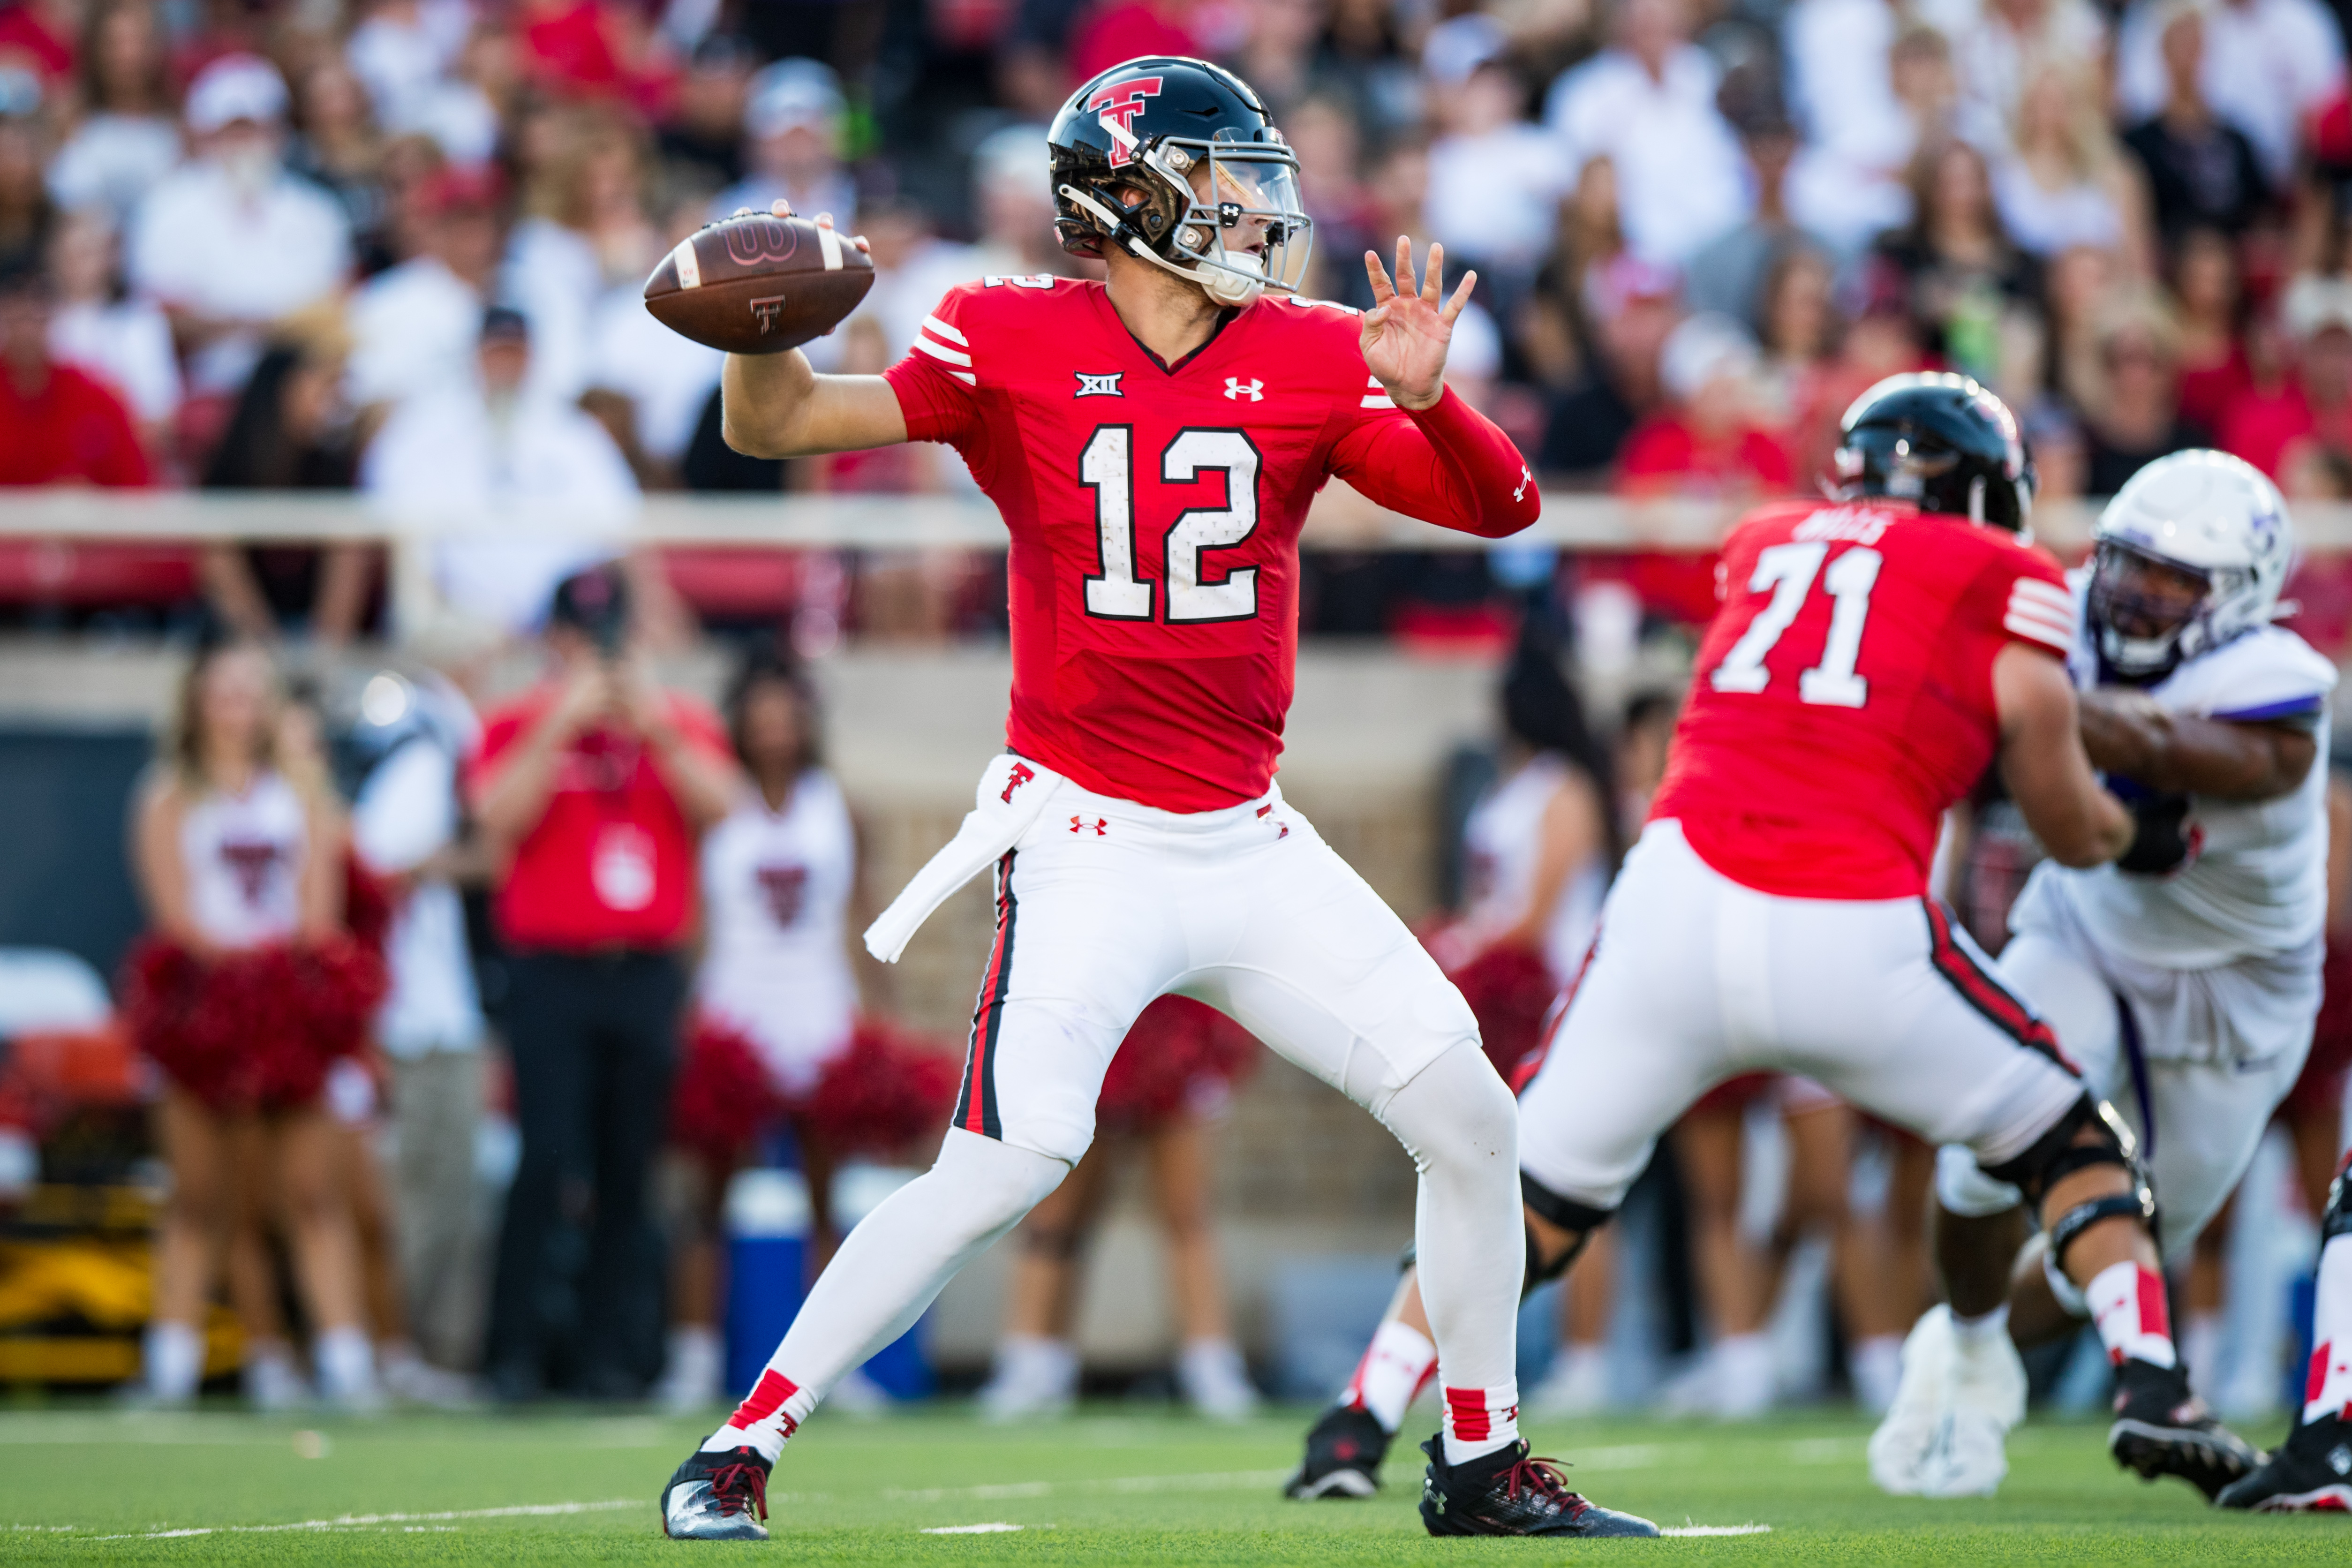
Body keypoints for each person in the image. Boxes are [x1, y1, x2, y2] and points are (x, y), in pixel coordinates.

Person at [656, 56, 1641, 1543]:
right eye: (1225, 173)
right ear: (1128, 196)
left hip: (1249, 839)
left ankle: (1479, 1457)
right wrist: (763, 330)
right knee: (1008, 1158)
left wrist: (1436, 403)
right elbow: (778, 425)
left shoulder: (1310, 349)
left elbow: (1501, 507)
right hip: (1087, 840)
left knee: (1471, 1116)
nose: (1259, 204)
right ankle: (741, 1442)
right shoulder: (1005, 333)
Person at [1287, 373, 2252, 1506]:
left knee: (1520, 1183)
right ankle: (2151, 1380)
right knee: (2067, 1137)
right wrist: (2137, 833)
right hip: (1846, 917)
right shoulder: (2000, 572)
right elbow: (2063, 816)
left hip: (1674, 900)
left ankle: (1355, 1417)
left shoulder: (1763, 539)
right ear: (1978, 489)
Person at [1870, 450, 2332, 1498]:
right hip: (2088, 933)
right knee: (1976, 1153)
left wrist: (2026, 693)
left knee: (2123, 1255)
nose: (2136, 594)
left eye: (2175, 579)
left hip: (2238, 995)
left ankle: (1967, 1337)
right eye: (2127, 564)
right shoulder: (2061, 613)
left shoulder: (2276, 685)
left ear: (2242, 594)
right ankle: (1972, 1341)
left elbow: (2190, 750)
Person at [655, 645, 954, 1414]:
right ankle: (692, 1361)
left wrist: (880, 1016)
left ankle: (829, 1370)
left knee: (827, 1200)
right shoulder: (716, 802)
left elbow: (860, 913)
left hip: (818, 1013)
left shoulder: (835, 804)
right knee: (708, 1196)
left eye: (786, 714)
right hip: (735, 1010)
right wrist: (687, 1008)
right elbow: (694, 913)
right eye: (760, 715)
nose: (774, 729)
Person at [468, 565, 736, 1402]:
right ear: (556, 641)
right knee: (545, 1154)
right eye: (585, 638)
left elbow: (721, 806)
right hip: (552, 966)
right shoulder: (515, 722)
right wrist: (559, 723)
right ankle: (514, 1350)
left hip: (644, 967)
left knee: (631, 1164)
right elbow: (493, 817)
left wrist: (654, 728)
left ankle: (612, 1353)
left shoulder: (678, 723)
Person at [121, 638, 385, 1409]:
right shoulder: (168, 793)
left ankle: (347, 1365)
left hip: (288, 1007)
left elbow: (320, 912)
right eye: (223, 689)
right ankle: (170, 1366)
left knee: (309, 1191)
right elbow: (173, 914)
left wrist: (278, 979)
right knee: (200, 1194)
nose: (238, 704)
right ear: (196, 700)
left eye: (251, 689)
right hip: (201, 1008)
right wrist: (234, 974)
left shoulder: (305, 793)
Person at [974, 995, 1262, 1422]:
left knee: (1187, 1215)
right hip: (1088, 1027)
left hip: (1176, 1026)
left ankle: (1211, 1368)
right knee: (1056, 1220)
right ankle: (1031, 1366)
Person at [347, 664, 492, 1382]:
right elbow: (379, 870)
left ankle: (422, 1349)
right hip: (416, 1017)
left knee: (450, 1190)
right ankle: (395, 1347)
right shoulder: (424, 764)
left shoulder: (431, 764)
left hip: (440, 1009)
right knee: (422, 1192)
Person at [360, 305, 641, 638]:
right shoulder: (425, 430)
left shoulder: (573, 433)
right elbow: (386, 511)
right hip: (454, 618)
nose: (506, 367)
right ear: (475, 357)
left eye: (515, 355)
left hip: (562, 623)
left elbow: (621, 527)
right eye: (497, 355)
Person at [125, 53, 350, 396]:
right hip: (205, 386)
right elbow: (159, 315)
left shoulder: (317, 210)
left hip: (301, 386)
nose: (245, 144)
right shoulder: (167, 208)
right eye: (233, 131)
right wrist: (262, 327)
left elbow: (335, 304)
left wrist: (262, 328)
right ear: (206, 135)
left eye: (255, 130)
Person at [0, 252, 146, 486]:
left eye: (36, 310)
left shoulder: (97, 400)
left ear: (54, 314)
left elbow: (138, 493)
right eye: (17, 312)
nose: (27, 327)